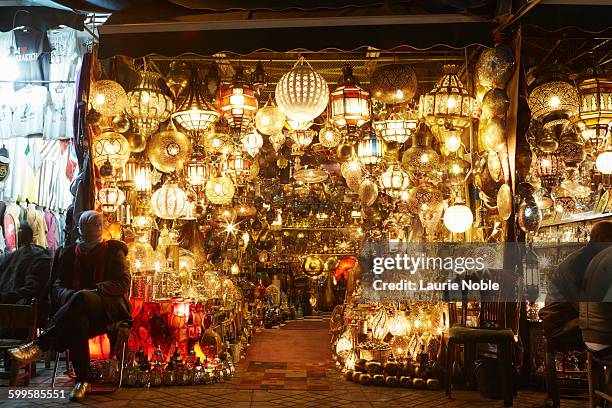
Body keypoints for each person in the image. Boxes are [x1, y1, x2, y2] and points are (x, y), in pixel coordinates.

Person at [9, 211, 131, 401]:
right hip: (74, 311)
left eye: (96, 225)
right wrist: (68, 295)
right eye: (87, 225)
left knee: (83, 296)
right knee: (78, 322)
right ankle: (83, 381)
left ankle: (41, 344)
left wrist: (96, 291)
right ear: (80, 227)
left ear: (101, 228)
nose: (91, 230)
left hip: (106, 309)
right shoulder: (67, 253)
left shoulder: (113, 251)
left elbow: (123, 282)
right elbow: (56, 285)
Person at [0, 223, 51, 319]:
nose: (19, 234)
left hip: (20, 309)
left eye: (21, 232)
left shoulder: (37, 258)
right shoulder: (10, 257)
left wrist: (7, 297)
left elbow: (32, 288)